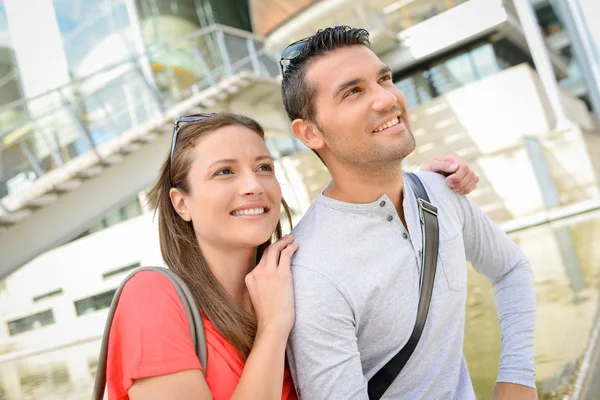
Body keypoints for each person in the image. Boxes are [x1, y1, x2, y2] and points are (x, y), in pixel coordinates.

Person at [103, 112, 477, 400]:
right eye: (224, 172)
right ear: (181, 202)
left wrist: (412, 189)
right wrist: (272, 328)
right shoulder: (151, 298)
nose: (253, 185)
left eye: (264, 167)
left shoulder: (293, 278)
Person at [281, 27, 537, 399]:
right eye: (353, 91)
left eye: (385, 79)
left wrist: (517, 377)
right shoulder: (311, 272)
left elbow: (512, 269)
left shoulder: (440, 191)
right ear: (309, 133)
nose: (387, 99)